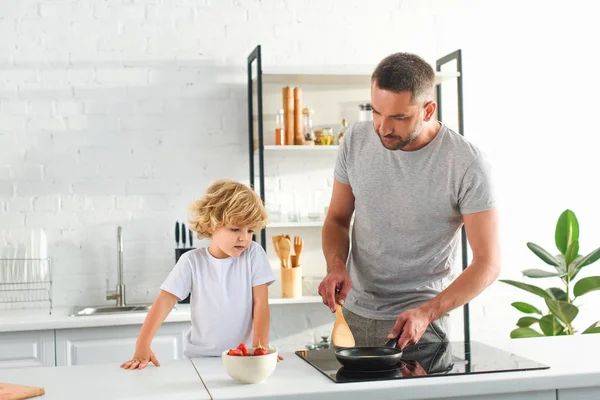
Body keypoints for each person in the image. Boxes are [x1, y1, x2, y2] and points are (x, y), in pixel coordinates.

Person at [318, 52, 501, 350]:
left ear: (428, 110)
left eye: (399, 117)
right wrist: (335, 266)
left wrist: (428, 312)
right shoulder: (356, 140)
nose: (383, 127)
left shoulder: (466, 163)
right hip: (353, 315)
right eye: (376, 112)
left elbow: (489, 263)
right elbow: (337, 219)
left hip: (420, 325)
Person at [121, 179, 277, 370]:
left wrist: (260, 351)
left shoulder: (253, 254)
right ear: (212, 225)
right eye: (235, 229)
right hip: (201, 359)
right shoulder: (191, 261)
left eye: (250, 230)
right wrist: (142, 346)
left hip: (243, 358)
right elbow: (164, 302)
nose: (244, 237)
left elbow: (260, 304)